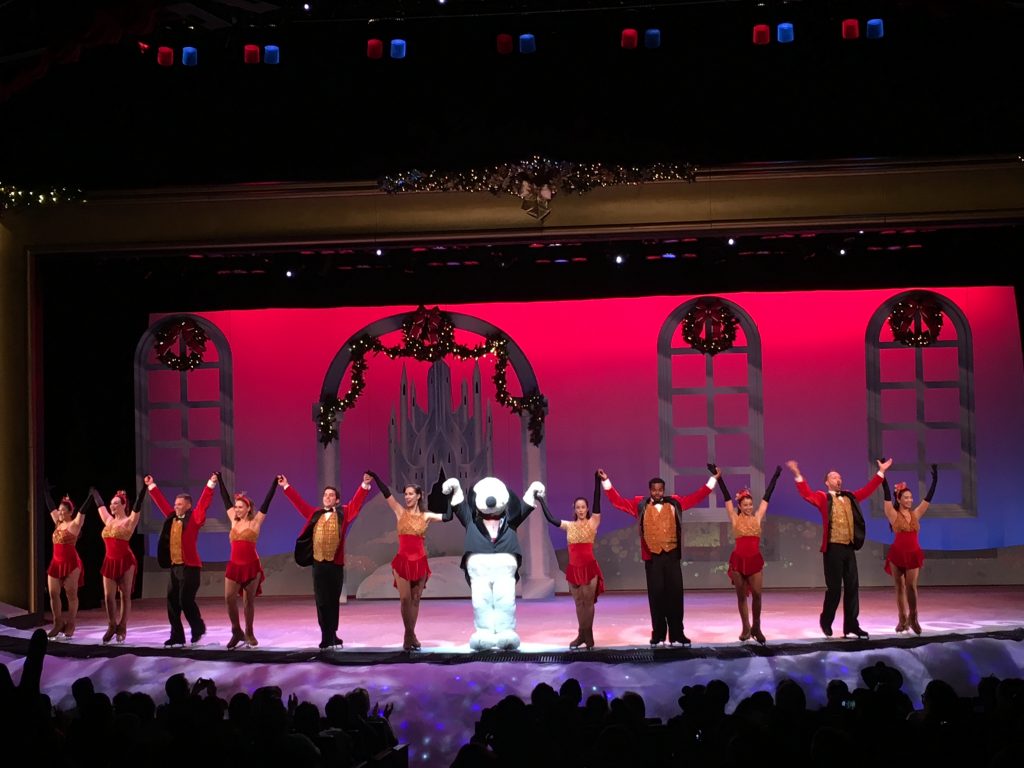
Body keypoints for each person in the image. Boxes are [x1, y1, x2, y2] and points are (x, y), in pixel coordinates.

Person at [598, 465, 720, 646]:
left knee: (675, 596)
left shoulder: (674, 503)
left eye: (660, 490)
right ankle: (658, 634)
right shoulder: (640, 505)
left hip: (672, 556)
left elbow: (697, 496)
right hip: (653, 558)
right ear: (650, 491)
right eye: (654, 490)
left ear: (664, 490)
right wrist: (606, 481)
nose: (657, 493)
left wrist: (714, 479)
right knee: (656, 596)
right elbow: (618, 502)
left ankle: (677, 633)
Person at [786, 457, 892, 639]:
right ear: (827, 482)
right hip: (833, 549)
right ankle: (826, 621)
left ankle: (851, 625)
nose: (838, 479)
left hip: (848, 549)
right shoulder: (823, 497)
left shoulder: (850, 497)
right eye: (834, 477)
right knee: (834, 589)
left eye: (839, 477)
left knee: (852, 588)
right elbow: (806, 494)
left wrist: (881, 472)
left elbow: (867, 490)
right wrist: (797, 474)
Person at [279, 471, 372, 650]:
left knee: (333, 601)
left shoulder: (344, 513)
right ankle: (325, 635)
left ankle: (332, 634)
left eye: (331, 495)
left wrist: (365, 485)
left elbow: (356, 503)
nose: (327, 497)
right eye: (325, 495)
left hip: (335, 565)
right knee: (321, 601)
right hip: (319, 564)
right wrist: (286, 486)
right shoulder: (315, 513)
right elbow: (299, 504)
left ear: (337, 500)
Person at [366, 471, 447, 651]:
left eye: (411, 494)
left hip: (420, 562)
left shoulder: (426, 516)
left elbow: (447, 516)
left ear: (418, 496)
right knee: (405, 599)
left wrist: (453, 496)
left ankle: (410, 636)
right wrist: (376, 477)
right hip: (402, 561)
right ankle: (410, 635)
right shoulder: (400, 511)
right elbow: (387, 494)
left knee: (416, 599)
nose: (407, 497)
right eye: (406, 494)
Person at [712, 464, 781, 644]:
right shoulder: (734, 518)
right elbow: (727, 497)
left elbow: (767, 497)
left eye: (751, 504)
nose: (749, 507)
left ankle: (757, 627)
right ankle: (746, 628)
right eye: (746, 505)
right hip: (738, 561)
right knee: (741, 596)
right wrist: (719, 478)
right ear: (740, 506)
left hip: (754, 561)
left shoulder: (757, 517)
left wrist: (775, 476)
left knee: (757, 595)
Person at [146, 472, 217, 646]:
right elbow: (161, 503)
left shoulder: (194, 518)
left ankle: (197, 627)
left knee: (185, 601)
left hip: (190, 567)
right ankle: (177, 636)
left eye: (179, 504)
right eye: (175, 504)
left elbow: (203, 503)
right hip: (175, 567)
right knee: (172, 602)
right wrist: (151, 486)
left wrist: (211, 483)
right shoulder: (172, 517)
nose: (176, 507)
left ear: (188, 505)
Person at [537, 472, 604, 649]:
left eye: (583, 507)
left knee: (588, 603)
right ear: (574, 509)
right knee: (579, 603)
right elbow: (551, 519)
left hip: (589, 568)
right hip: (574, 569)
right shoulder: (569, 525)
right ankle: (582, 635)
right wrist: (541, 500)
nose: (581, 510)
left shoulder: (593, 522)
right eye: (578, 507)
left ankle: (588, 636)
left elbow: (597, 501)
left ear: (587, 509)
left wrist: (597, 480)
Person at [217, 473, 278, 649]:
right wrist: (220, 479)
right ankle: (236, 631)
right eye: (236, 507)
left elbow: (267, 502)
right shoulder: (233, 520)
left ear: (248, 508)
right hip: (234, 566)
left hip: (251, 566)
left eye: (240, 507)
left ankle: (249, 632)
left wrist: (274, 483)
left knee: (248, 601)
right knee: (229, 598)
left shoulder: (256, 521)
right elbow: (225, 499)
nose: (236, 509)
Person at [881, 465, 937, 635]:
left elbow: (927, 500)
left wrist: (935, 481)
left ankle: (913, 618)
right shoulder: (892, 514)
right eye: (906, 497)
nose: (910, 500)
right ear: (899, 499)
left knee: (911, 586)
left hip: (913, 554)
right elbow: (886, 495)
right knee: (899, 587)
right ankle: (902, 619)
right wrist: (882, 473)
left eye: (911, 497)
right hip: (897, 554)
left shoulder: (916, 514)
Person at [92, 484, 145, 643]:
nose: (112, 506)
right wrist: (93, 491)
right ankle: (111, 625)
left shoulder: (129, 521)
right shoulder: (108, 520)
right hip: (109, 561)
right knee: (108, 596)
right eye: (111, 503)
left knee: (124, 595)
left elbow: (137, 505)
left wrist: (144, 488)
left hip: (125, 560)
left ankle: (122, 626)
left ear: (123, 505)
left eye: (115, 503)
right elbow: (100, 505)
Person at [45, 493, 91, 639]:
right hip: (56, 563)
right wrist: (45, 491)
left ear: (70, 512)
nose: (59, 512)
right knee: (53, 593)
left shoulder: (74, 525)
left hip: (71, 563)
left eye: (63, 510)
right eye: (59, 510)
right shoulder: (58, 523)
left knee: (71, 594)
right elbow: (50, 507)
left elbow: (82, 512)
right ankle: (57, 622)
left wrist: (90, 496)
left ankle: (71, 623)